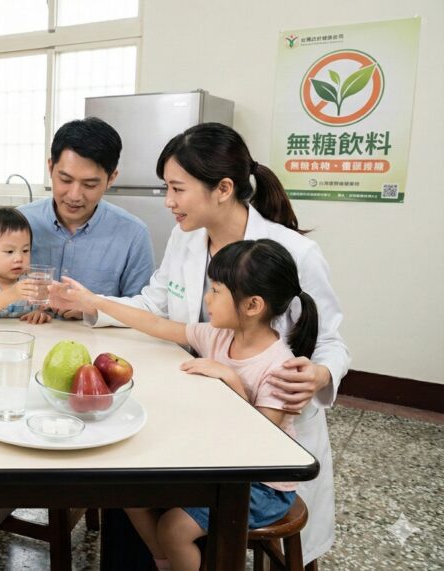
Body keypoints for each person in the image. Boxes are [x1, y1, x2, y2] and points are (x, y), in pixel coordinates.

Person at [52, 122, 349, 565]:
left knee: (188, 511)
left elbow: (331, 342)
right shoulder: (186, 236)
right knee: (130, 483)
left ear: (223, 188)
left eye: (177, 189)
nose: (168, 202)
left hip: (265, 424)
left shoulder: (293, 253)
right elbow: (156, 303)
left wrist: (321, 373)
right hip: (198, 403)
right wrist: (91, 305)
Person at [58, 239, 315, 571]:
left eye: (216, 291)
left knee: (174, 529)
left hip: (261, 485)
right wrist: (96, 302)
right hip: (217, 463)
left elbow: (261, 445)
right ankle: (166, 564)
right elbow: (158, 324)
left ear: (252, 306)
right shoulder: (219, 335)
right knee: (127, 495)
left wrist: (231, 381)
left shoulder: (279, 366)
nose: (206, 298)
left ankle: (173, 559)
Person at [17, 117, 154, 319]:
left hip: (99, 345)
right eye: (65, 180)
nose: (74, 195)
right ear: (50, 168)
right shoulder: (19, 222)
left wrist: (94, 309)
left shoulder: (133, 234)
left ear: (111, 179)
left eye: (89, 185)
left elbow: (143, 311)